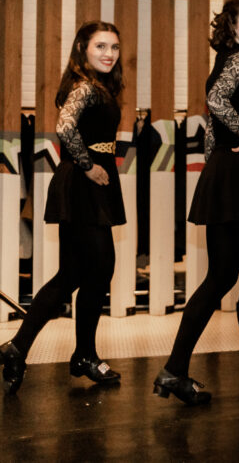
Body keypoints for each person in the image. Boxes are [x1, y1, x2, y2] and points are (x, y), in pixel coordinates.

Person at [153, 0, 239, 406]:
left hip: (230, 175)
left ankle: (176, 370)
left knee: (223, 277)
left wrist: (224, 155)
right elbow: (217, 101)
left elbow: (215, 116)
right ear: (232, 25)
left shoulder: (237, 60)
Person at [1, 21, 125, 394]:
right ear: (82, 49)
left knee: (72, 274)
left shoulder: (98, 87)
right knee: (100, 267)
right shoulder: (85, 87)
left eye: (114, 47)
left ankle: (19, 348)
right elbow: (65, 128)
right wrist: (89, 166)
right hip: (83, 183)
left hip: (89, 181)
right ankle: (82, 354)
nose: (109, 53)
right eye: (100, 46)